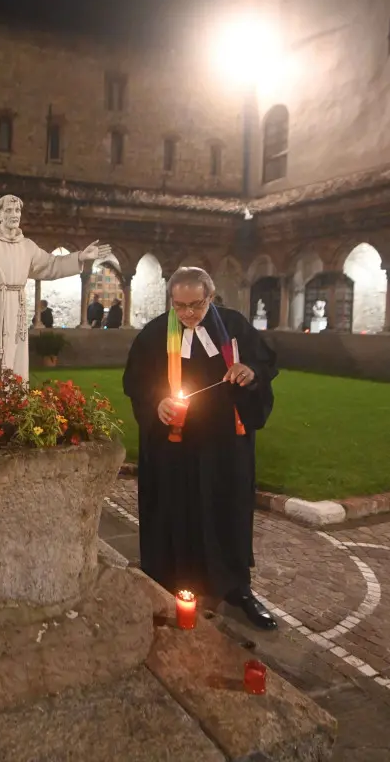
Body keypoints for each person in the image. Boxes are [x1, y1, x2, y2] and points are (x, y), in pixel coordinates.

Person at [123, 267, 279, 631]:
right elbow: (136, 383)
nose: (188, 314)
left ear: (211, 297)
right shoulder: (155, 334)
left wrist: (248, 372)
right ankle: (170, 582)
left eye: (196, 304)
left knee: (228, 510)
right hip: (174, 445)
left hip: (224, 442)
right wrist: (155, 405)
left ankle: (236, 588)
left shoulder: (235, 326)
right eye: (180, 306)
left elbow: (266, 362)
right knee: (176, 508)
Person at [0, 194, 109, 394]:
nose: (14, 215)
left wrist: (80, 257)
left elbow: (51, 265)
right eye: (9, 211)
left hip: (18, 306)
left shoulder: (27, 246)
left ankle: (15, 401)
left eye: (17, 210)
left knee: (15, 353)